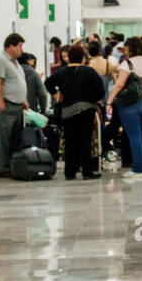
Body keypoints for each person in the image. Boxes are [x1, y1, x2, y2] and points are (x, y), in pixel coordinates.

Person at [45, 44, 106, 180]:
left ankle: (70, 172)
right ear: (83, 57)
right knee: (85, 140)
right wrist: (92, 99)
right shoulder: (89, 72)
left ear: (68, 58)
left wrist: (56, 95)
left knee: (70, 140)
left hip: (67, 110)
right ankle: (86, 171)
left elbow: (48, 83)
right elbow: (101, 91)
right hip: (86, 109)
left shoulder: (61, 72)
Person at [107, 36, 142, 179]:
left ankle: (138, 170)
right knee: (140, 134)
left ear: (131, 49)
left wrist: (110, 101)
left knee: (134, 135)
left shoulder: (127, 63)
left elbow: (120, 84)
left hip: (131, 104)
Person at [0, 33, 30, 179]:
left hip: (17, 105)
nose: (21, 50)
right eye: (19, 46)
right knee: (4, 138)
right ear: (11, 46)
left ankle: (13, 165)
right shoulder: (0, 60)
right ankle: (4, 168)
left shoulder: (15, 62)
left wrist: (23, 100)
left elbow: (16, 82)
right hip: (6, 106)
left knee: (14, 139)